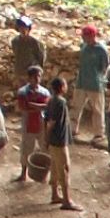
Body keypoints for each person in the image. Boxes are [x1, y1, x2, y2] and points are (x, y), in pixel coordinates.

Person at [44, 76, 79, 210]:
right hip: (59, 140)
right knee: (64, 168)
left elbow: (46, 120)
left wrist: (46, 139)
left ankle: (55, 194)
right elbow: (51, 122)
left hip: (54, 140)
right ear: (62, 87)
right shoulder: (60, 102)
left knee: (54, 167)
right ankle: (66, 200)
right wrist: (47, 136)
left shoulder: (50, 101)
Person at [14, 64, 51, 183]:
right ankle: (23, 173)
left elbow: (46, 106)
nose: (37, 79)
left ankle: (45, 172)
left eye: (39, 76)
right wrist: (39, 107)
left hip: (40, 122)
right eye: (34, 77)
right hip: (29, 122)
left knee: (45, 147)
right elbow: (22, 107)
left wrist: (32, 105)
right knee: (26, 148)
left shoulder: (43, 92)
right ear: (29, 78)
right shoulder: (23, 92)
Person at [71, 24, 108, 141]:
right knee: (76, 106)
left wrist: (99, 78)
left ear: (92, 36)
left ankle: (99, 133)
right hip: (81, 81)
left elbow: (104, 67)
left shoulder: (101, 49)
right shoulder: (83, 46)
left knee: (97, 109)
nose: (83, 38)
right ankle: (72, 129)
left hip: (95, 83)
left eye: (85, 36)